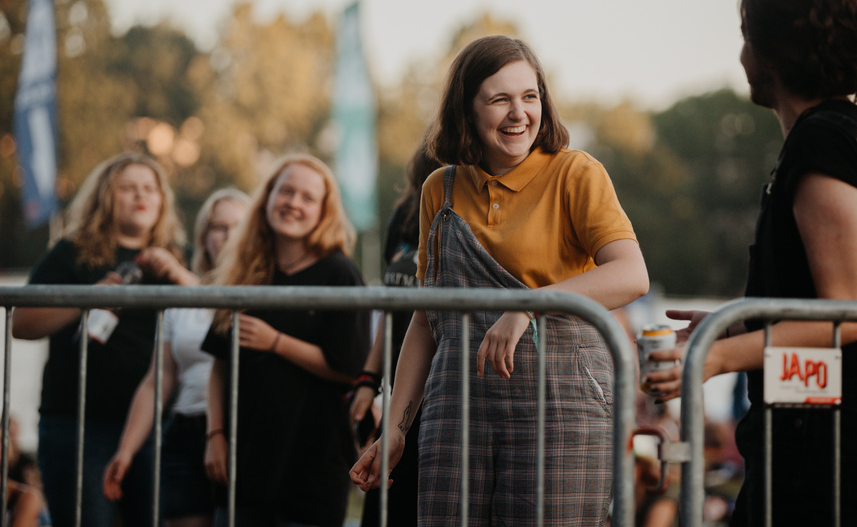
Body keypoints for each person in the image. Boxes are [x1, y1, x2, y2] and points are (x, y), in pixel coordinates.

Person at [351, 35, 650, 526]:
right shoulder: (438, 189)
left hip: (561, 405)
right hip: (457, 408)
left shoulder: (576, 173)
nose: (519, 113)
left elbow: (631, 274)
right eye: (499, 99)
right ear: (466, 110)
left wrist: (529, 304)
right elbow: (428, 320)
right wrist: (399, 427)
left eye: (529, 96)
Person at [646, 0, 857, 525]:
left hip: (824, 447)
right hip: (818, 438)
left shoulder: (824, 141)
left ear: (777, 50)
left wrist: (713, 356)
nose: (741, 55)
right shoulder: (836, 135)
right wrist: (729, 324)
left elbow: (843, 314)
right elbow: (810, 299)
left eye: (748, 38)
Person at [12, 152, 198, 527]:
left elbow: (221, 316)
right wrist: (85, 301)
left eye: (149, 188)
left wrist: (183, 277)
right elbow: (22, 324)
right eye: (127, 188)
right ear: (105, 197)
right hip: (77, 425)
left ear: (163, 200)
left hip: (158, 428)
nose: (140, 196)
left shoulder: (181, 257)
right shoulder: (71, 253)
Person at [201, 154, 371, 527]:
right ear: (268, 198)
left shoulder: (340, 272)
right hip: (245, 459)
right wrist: (215, 434)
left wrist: (276, 341)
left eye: (308, 198)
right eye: (286, 191)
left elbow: (348, 368)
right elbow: (218, 363)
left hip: (311, 464)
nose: (294, 203)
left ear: (324, 212)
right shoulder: (243, 268)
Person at [102, 188, 250, 527]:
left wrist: (182, 280)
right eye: (218, 227)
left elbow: (223, 315)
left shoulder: (266, 290)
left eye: (237, 227)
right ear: (204, 236)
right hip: (184, 432)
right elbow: (158, 380)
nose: (226, 237)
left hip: (240, 430)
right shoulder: (180, 300)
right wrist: (125, 451)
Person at [350, 138, 441, 527]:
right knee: (384, 508)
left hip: (446, 395)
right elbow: (392, 310)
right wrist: (368, 380)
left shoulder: (471, 208)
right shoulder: (405, 213)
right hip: (401, 389)